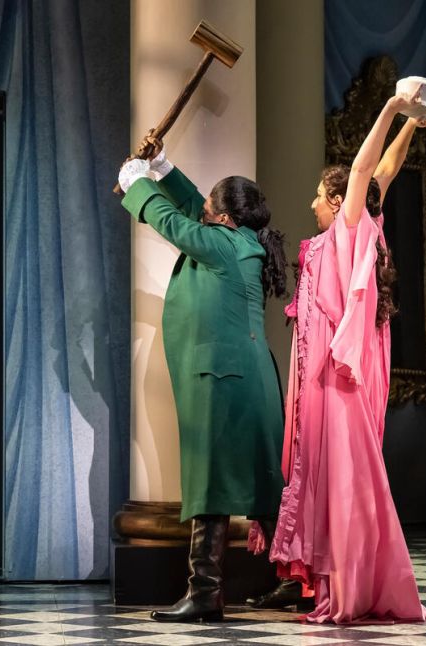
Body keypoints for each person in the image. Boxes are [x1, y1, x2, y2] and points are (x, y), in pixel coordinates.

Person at [263, 92, 426, 623]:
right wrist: (412, 126)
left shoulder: (349, 229)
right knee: (337, 475)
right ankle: (335, 580)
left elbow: (366, 169)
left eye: (320, 196)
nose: (312, 204)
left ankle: (346, 587)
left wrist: (391, 108)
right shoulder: (364, 227)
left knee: (342, 477)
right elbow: (386, 170)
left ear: (340, 202)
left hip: (337, 378)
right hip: (335, 373)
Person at [118, 144, 287, 622]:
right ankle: (299, 578)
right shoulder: (236, 239)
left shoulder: (224, 246)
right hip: (237, 377)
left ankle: (206, 593)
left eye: (212, 210)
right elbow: (195, 209)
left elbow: (177, 223)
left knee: (213, 480)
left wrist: (137, 184)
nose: (204, 213)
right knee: (258, 482)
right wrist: (163, 168)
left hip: (225, 380)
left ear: (224, 219)